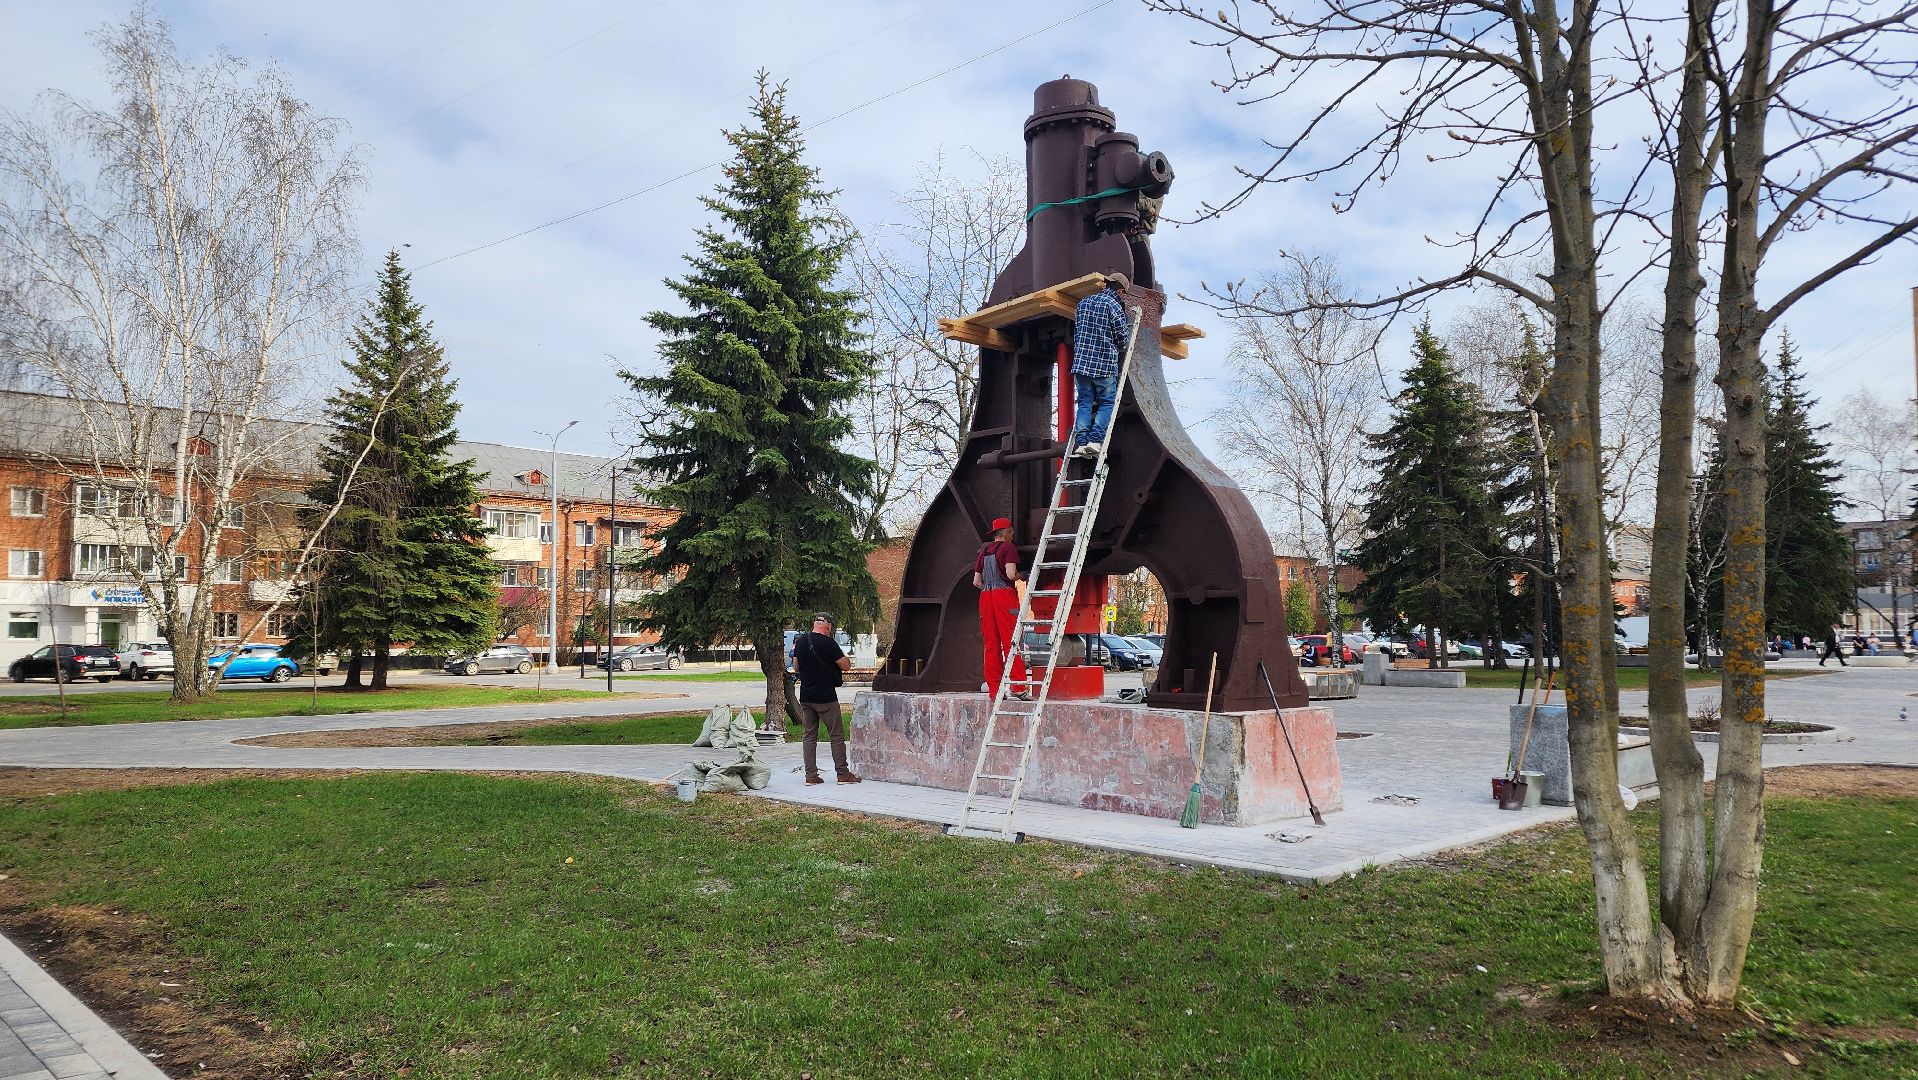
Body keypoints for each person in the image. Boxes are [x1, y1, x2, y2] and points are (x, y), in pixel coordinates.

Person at [1068, 273, 1132, 459]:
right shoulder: (1113, 305)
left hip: (1081, 365)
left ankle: (1081, 443)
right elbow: (1122, 339)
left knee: (1085, 403)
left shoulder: (1083, 303)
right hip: (1103, 365)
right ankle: (1095, 441)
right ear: (1120, 290)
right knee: (1106, 403)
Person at [789, 613, 858, 785]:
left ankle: (811, 776)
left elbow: (796, 667)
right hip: (826, 697)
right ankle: (843, 774)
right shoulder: (829, 643)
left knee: (809, 736)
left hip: (806, 696)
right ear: (828, 626)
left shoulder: (801, 641)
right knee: (836, 735)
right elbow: (846, 666)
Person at [974, 516, 1028, 697]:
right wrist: (1023, 576)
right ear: (1005, 533)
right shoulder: (1008, 547)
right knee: (1011, 641)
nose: (1012, 534)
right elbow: (1011, 574)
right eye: (1011, 531)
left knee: (991, 645)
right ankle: (1018, 687)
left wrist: (990, 587)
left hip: (985, 597)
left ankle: (995, 690)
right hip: (1003, 596)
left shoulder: (983, 551)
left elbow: (976, 581)